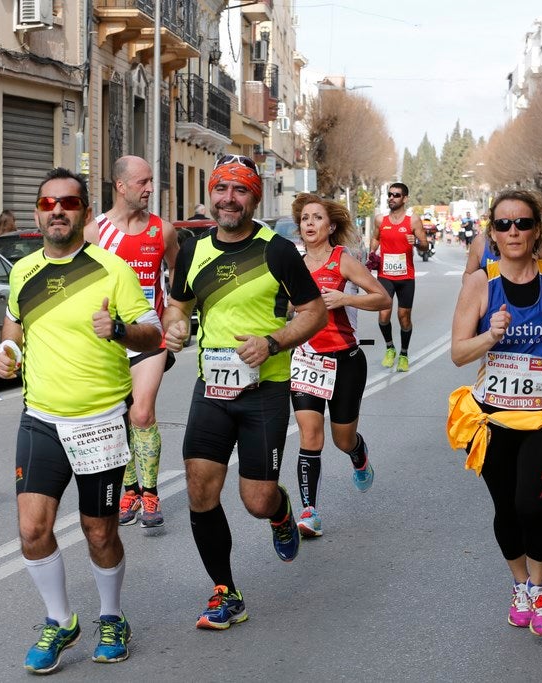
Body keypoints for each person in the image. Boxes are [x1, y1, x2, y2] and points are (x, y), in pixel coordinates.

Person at [0, 167, 162, 674]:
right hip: (41, 419)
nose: (58, 211)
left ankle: (111, 616)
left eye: (68, 203)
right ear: (38, 213)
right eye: (48, 203)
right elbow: (13, 326)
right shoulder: (23, 271)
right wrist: (6, 352)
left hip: (99, 422)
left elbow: (153, 334)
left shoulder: (112, 269)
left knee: (99, 532)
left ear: (85, 212)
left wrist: (120, 330)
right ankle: (60, 619)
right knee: (32, 529)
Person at [161, 155, 327, 630]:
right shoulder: (192, 250)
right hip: (212, 388)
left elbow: (314, 312)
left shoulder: (278, 251)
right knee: (199, 487)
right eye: (221, 189)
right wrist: (176, 327)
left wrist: (272, 342)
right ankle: (225, 592)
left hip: (264, 391)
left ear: (254, 198)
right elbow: (178, 307)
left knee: (256, 500)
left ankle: (280, 510)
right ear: (211, 194)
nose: (228, 199)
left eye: (240, 190)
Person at [446, 188, 542, 638]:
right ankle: (520, 585)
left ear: (537, 230)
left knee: (531, 505)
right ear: (492, 233)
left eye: (523, 223)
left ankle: (540, 588)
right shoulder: (480, 284)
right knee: (505, 509)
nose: (513, 231)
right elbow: (458, 353)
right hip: (493, 418)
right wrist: (490, 336)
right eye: (503, 224)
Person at [288, 193, 391, 537]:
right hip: (306, 360)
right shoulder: (294, 265)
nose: (310, 224)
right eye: (305, 218)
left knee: (342, 440)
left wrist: (345, 298)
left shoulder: (342, 261)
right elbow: (281, 308)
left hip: (345, 360)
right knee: (309, 435)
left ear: (331, 226)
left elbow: (382, 298)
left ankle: (358, 454)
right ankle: (309, 513)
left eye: (317, 218)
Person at [85, 155, 178, 531]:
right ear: (121, 186)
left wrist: (176, 318)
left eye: (151, 181)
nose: (151, 188)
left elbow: (180, 277)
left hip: (150, 337)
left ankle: (150, 493)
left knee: (141, 413)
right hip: (109, 341)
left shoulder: (163, 231)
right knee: (118, 417)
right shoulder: (95, 232)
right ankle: (130, 490)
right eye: (143, 182)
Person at [371, 182, 428, 372]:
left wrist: (416, 242)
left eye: (396, 195)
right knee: (383, 315)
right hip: (385, 275)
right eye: (390, 194)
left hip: (406, 277)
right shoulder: (380, 220)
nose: (391, 198)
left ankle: (404, 353)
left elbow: (425, 245)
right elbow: (376, 238)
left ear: (405, 198)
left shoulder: (413, 221)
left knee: (404, 317)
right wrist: (372, 252)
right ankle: (390, 348)